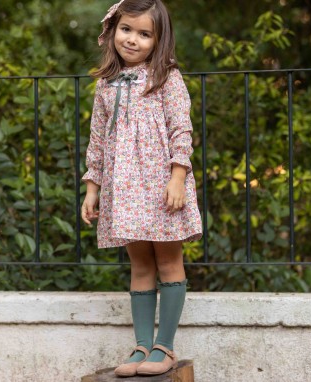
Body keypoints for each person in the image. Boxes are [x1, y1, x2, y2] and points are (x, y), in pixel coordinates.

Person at [81, 0, 202, 377]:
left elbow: (181, 128)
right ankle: (141, 347)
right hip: (124, 187)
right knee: (140, 265)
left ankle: (164, 347)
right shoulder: (105, 84)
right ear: (112, 30)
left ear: (158, 38)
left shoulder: (166, 77)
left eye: (144, 33)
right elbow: (98, 140)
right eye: (126, 29)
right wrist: (92, 188)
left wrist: (178, 177)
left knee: (167, 261)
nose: (132, 39)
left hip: (161, 184)